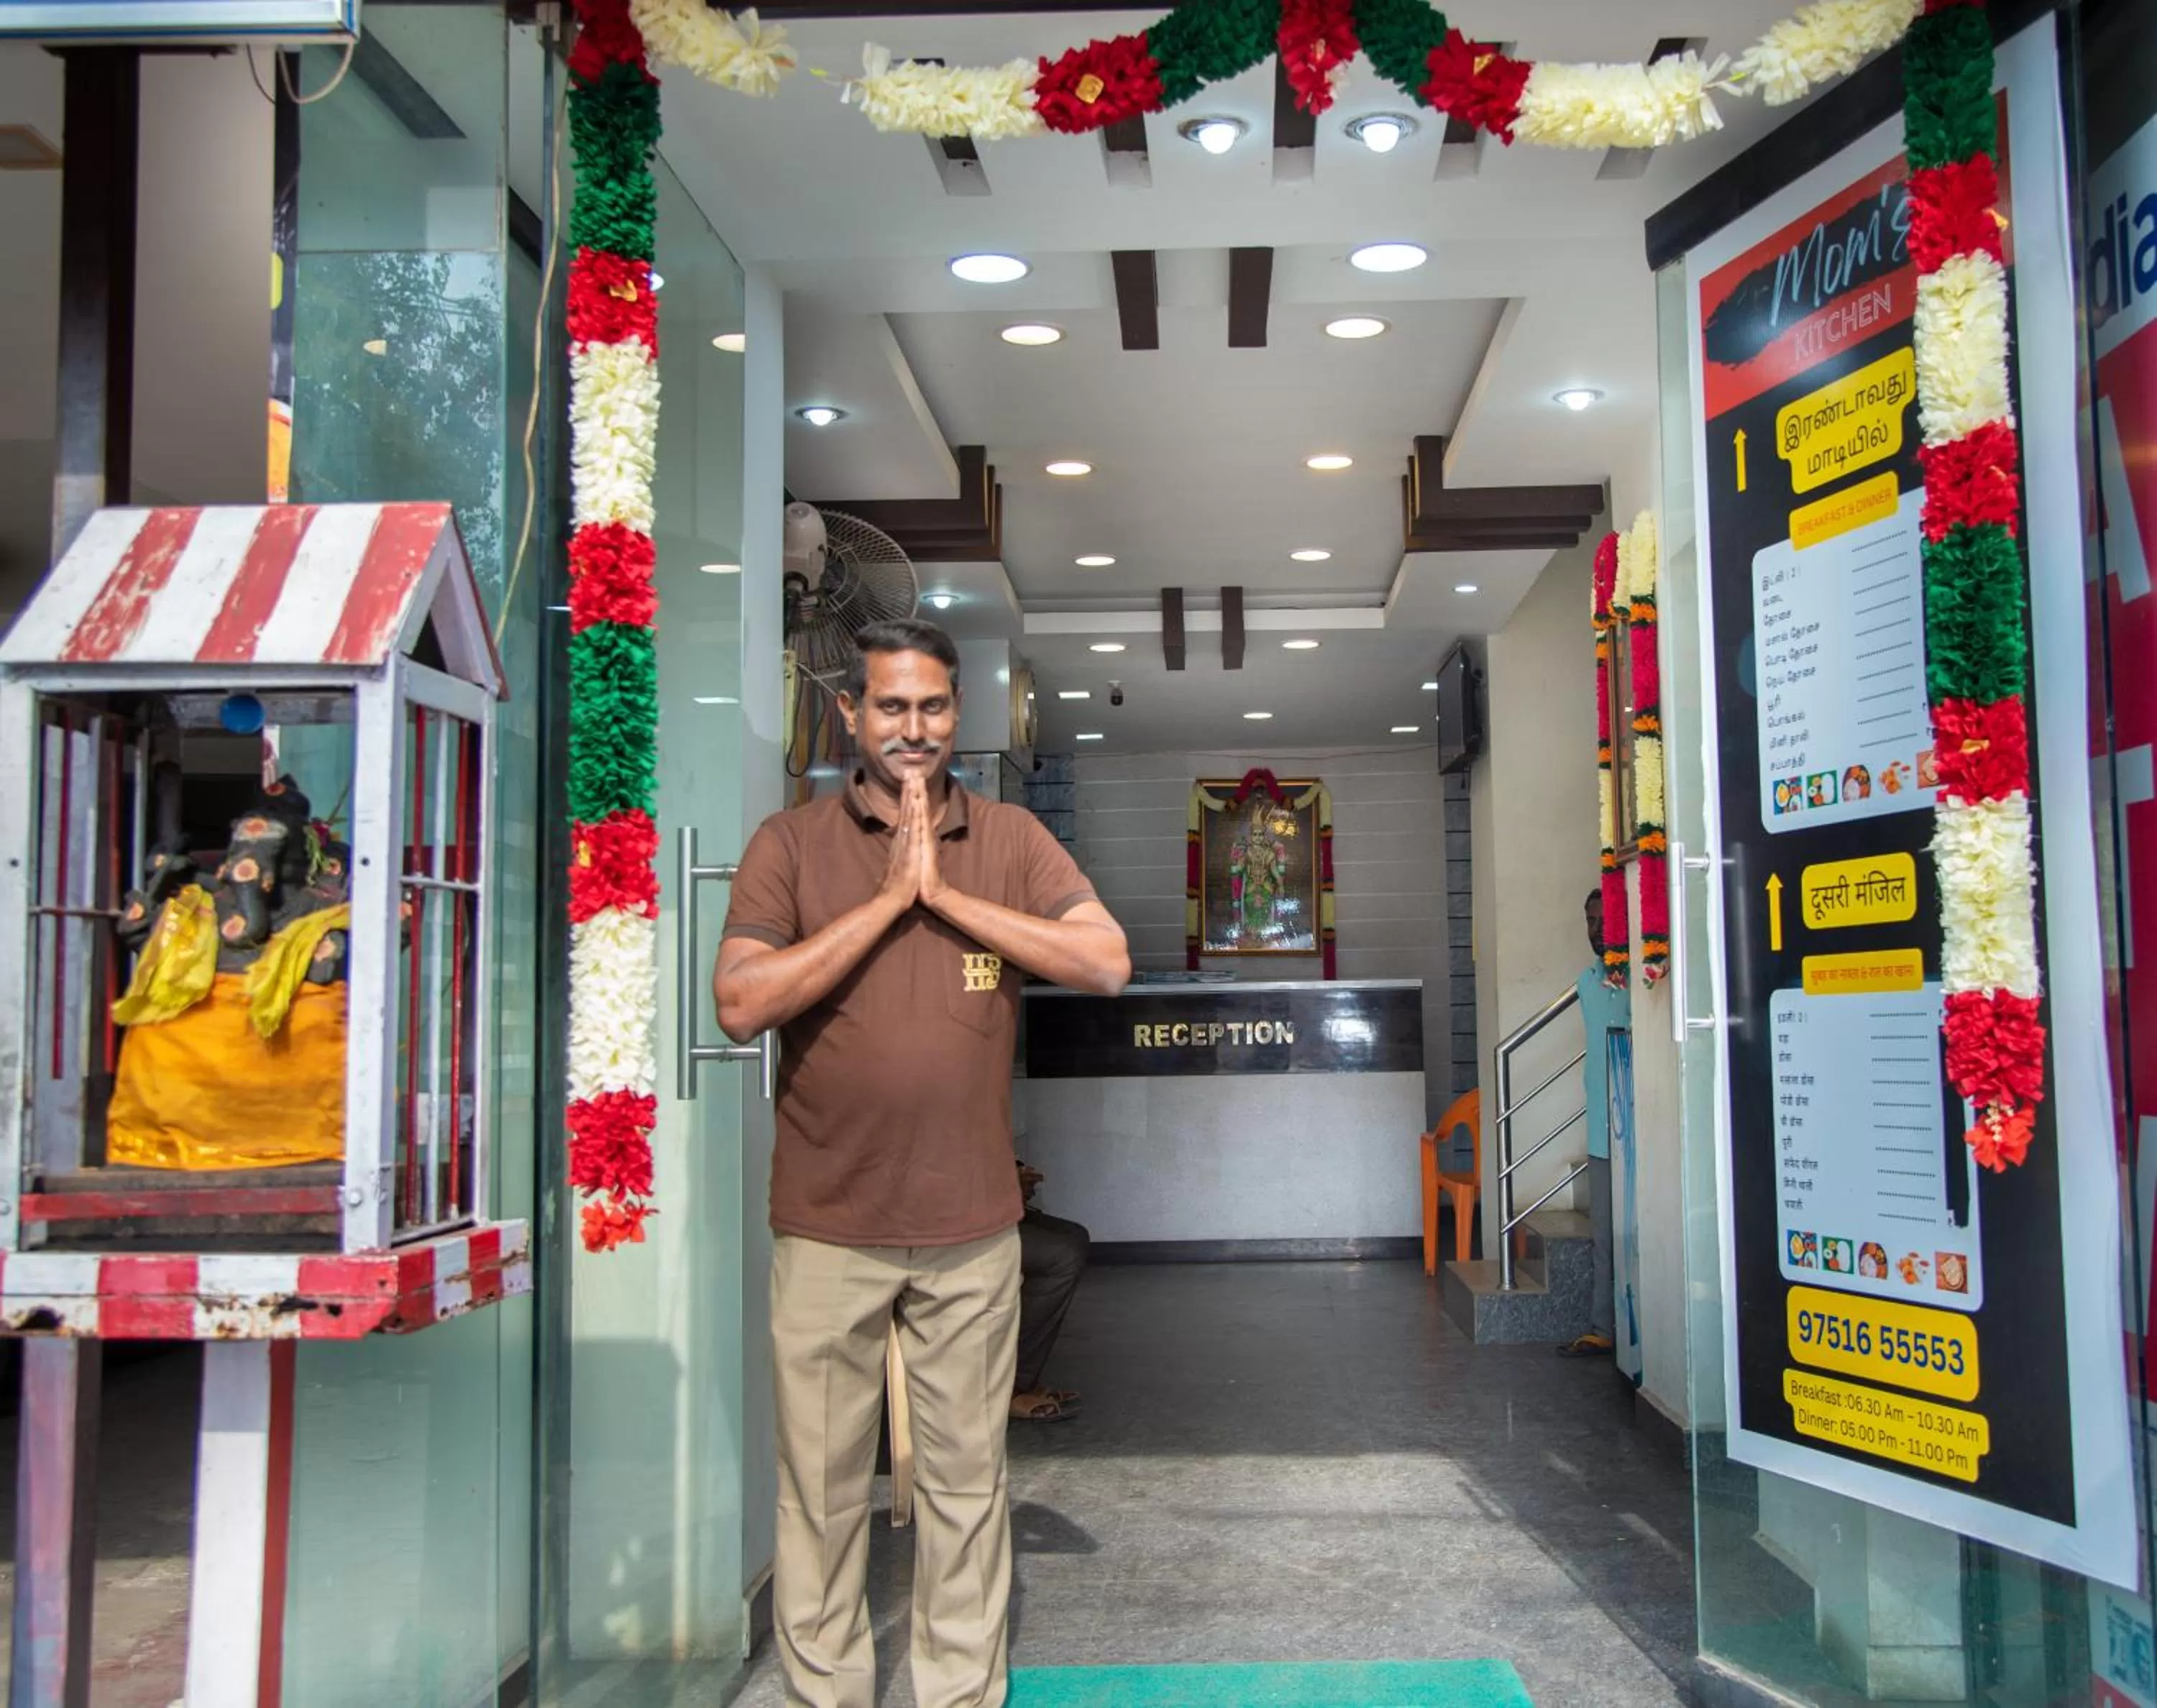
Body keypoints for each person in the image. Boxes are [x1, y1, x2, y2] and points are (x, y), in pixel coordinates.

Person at [714, 617, 1130, 1708]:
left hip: (971, 1229)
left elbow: (1104, 960)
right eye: (891, 706)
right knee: (821, 1489)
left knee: (964, 1485)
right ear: (851, 714)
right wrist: (886, 902)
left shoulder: (1007, 839)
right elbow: (743, 998)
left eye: (934, 707)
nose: (914, 728)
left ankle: (957, 1694)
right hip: (826, 1225)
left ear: (957, 715)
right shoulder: (789, 844)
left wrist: (943, 894)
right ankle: (829, 1695)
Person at [1562, 889, 1631, 1359]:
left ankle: (1641, 1335)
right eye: (1590, 920)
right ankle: (1603, 1329)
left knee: (1639, 1236)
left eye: (1605, 919)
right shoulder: (1586, 983)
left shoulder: (1646, 978)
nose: (1597, 928)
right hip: (1601, 1130)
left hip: (1641, 1131)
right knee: (1605, 1235)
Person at [1010, 1161, 1089, 1424]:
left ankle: (1019, 1376)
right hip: (943, 1223)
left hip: (971, 1204)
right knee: (1062, 1254)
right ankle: (1010, 1385)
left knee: (1074, 1235)